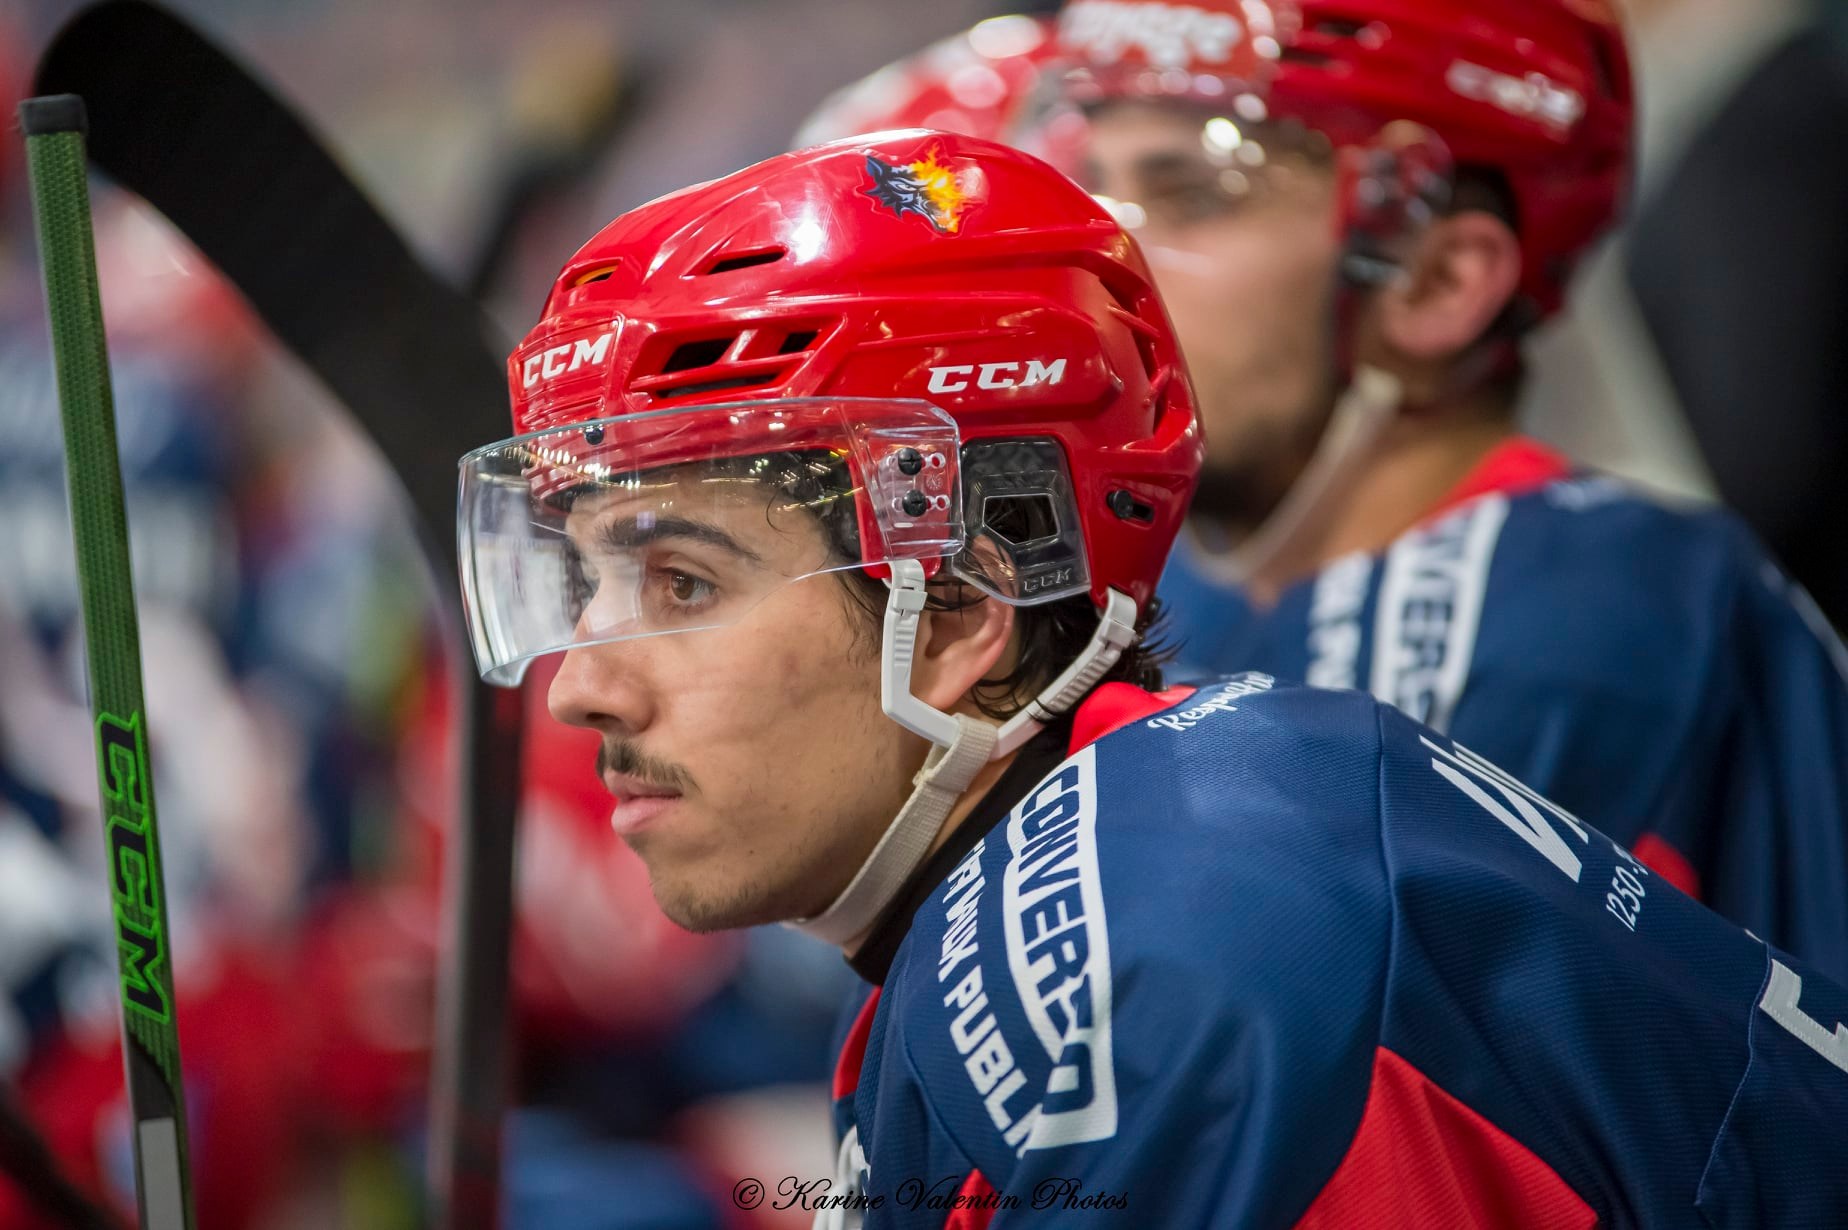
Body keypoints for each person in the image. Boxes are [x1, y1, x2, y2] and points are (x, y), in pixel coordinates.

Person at [452, 130, 1848, 1228]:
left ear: (961, 608)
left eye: (683, 583)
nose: (580, 692)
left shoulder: (1133, 969)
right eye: (589, 585)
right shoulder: (1123, 857)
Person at [813, 0, 1848, 982]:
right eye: (1089, 188)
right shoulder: (1227, 586)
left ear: (1436, 280)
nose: (1098, 271)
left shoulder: (1572, 626)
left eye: (1189, 193)